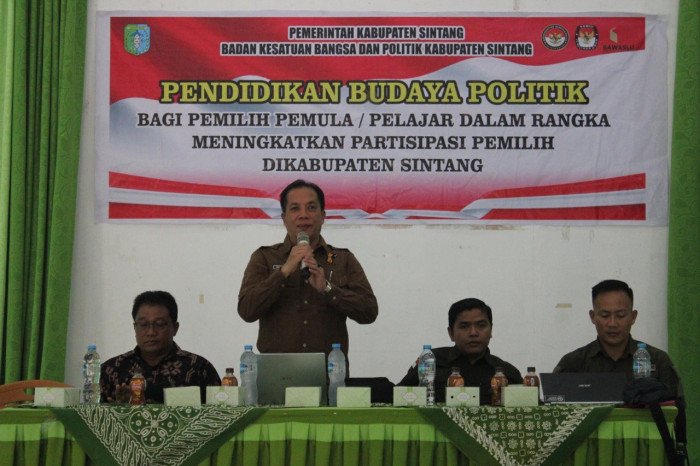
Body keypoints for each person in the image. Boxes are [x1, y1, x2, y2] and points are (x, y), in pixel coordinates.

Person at [238, 179, 378, 366]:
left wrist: (327, 289)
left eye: (311, 208)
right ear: (284, 218)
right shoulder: (264, 257)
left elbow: (369, 312)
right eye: (295, 208)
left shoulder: (343, 259)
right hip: (277, 374)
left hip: (329, 373)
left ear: (323, 216)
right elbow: (246, 311)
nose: (303, 215)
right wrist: (284, 271)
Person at [553, 279, 682, 398]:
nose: (613, 323)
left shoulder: (658, 360)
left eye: (620, 315)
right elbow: (553, 410)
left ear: (633, 317)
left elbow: (677, 410)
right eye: (605, 315)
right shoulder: (573, 364)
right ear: (593, 317)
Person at [100, 291, 221, 403]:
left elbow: (220, 414)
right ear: (135, 328)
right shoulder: (112, 369)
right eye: (144, 325)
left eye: (159, 324)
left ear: (175, 328)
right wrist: (119, 410)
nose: (151, 332)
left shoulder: (198, 368)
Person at [398, 298, 522, 405]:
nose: (473, 333)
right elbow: (397, 397)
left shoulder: (506, 373)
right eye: (464, 326)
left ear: (491, 330)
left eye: (481, 325)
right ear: (451, 333)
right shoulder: (430, 362)